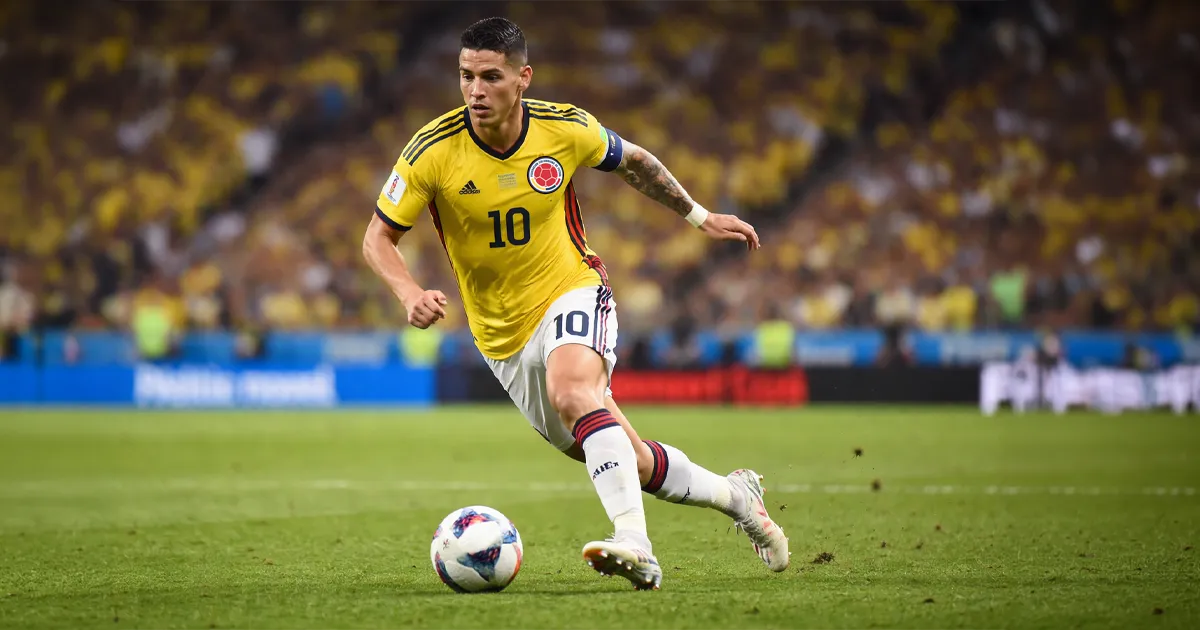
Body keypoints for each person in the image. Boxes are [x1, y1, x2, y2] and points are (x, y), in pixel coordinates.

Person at [362, 17, 787, 590]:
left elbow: (636, 162)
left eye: (490, 76)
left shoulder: (566, 129)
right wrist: (409, 293)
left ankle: (635, 545)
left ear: (523, 78)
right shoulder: (432, 152)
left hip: (572, 287)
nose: (475, 90)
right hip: (502, 339)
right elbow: (377, 236)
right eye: (466, 76)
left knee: (574, 392)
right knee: (626, 459)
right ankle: (739, 497)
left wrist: (700, 216)